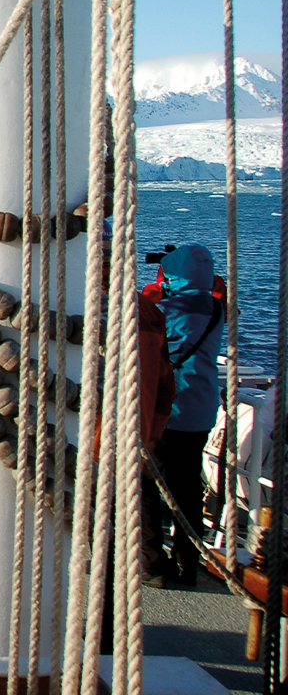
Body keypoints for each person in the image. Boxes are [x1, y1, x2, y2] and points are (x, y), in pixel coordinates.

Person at [144, 243, 225, 586]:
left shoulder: (164, 309)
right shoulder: (218, 309)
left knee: (147, 483)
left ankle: (152, 562)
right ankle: (187, 562)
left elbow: (145, 329)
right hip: (202, 410)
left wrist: (155, 292)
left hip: (167, 411)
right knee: (188, 488)